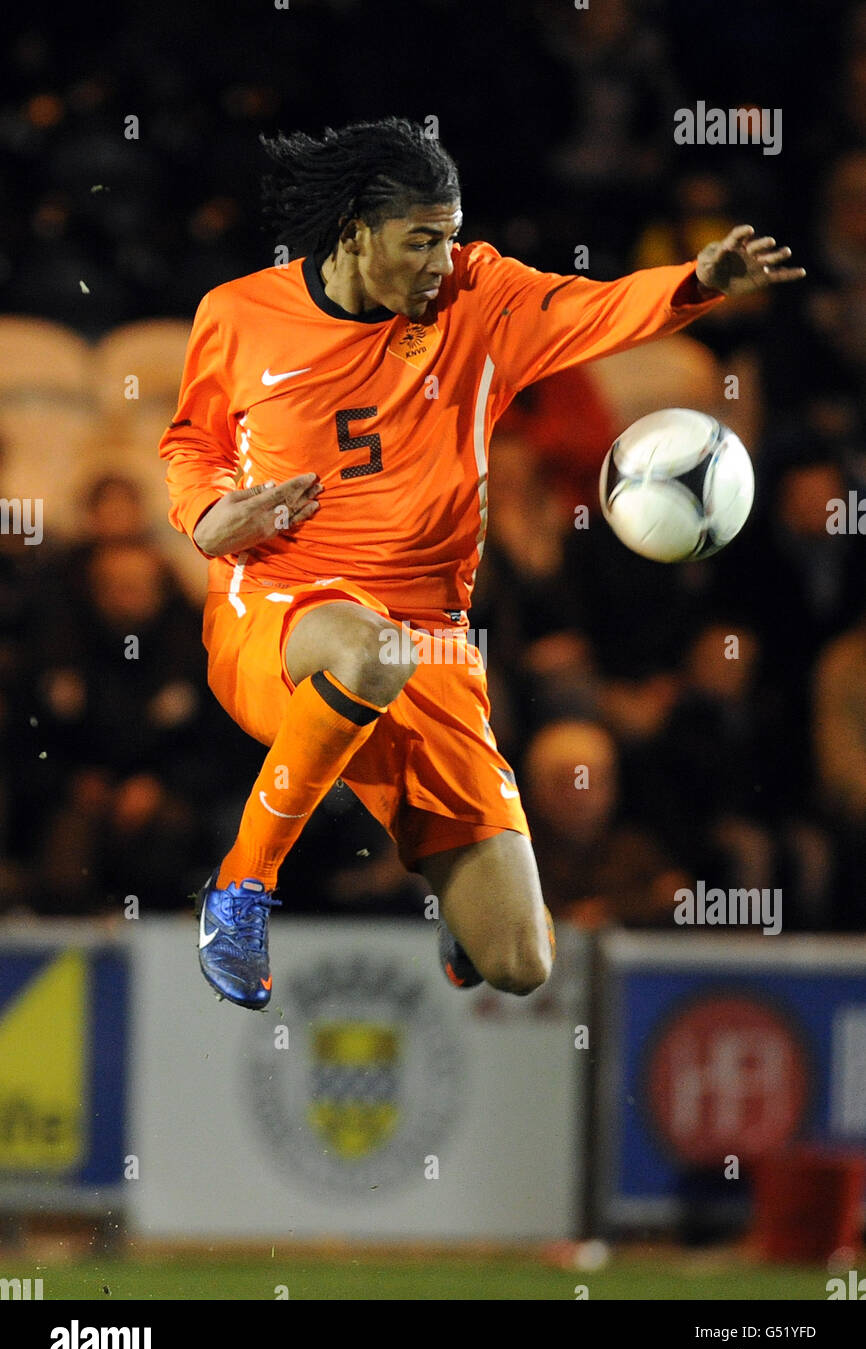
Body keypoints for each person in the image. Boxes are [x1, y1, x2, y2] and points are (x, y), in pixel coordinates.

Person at [160, 116, 804, 1010]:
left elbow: (592, 308)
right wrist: (216, 515)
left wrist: (696, 283)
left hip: (433, 639)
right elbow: (192, 443)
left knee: (520, 962)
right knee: (369, 654)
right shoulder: (238, 314)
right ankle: (240, 888)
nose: (440, 261)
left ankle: (457, 908)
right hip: (276, 607)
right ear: (353, 232)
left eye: (450, 237)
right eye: (420, 241)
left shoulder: (477, 298)